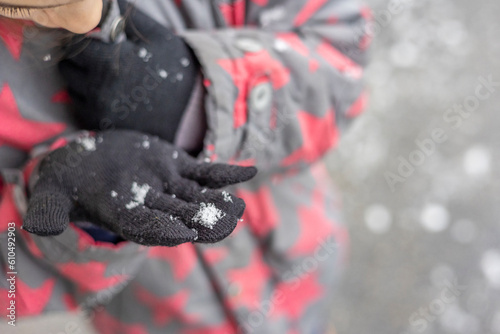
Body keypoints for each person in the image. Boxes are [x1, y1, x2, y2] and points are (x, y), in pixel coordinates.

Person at [0, 0, 371, 333]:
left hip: (303, 272)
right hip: (152, 318)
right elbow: (10, 294)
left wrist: (199, 100)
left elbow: (341, 53)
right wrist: (75, 220)